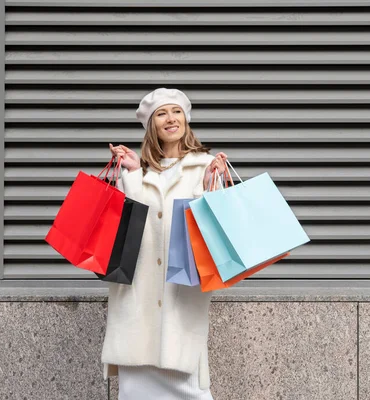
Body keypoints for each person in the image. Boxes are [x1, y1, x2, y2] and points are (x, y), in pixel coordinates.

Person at [102, 88, 227, 400]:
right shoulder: (138, 172)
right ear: (152, 126)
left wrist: (217, 183)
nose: (171, 119)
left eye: (176, 112)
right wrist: (130, 174)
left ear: (185, 119)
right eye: (162, 113)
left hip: (179, 301)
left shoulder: (205, 166)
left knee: (192, 392)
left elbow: (213, 230)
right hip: (137, 305)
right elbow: (128, 229)